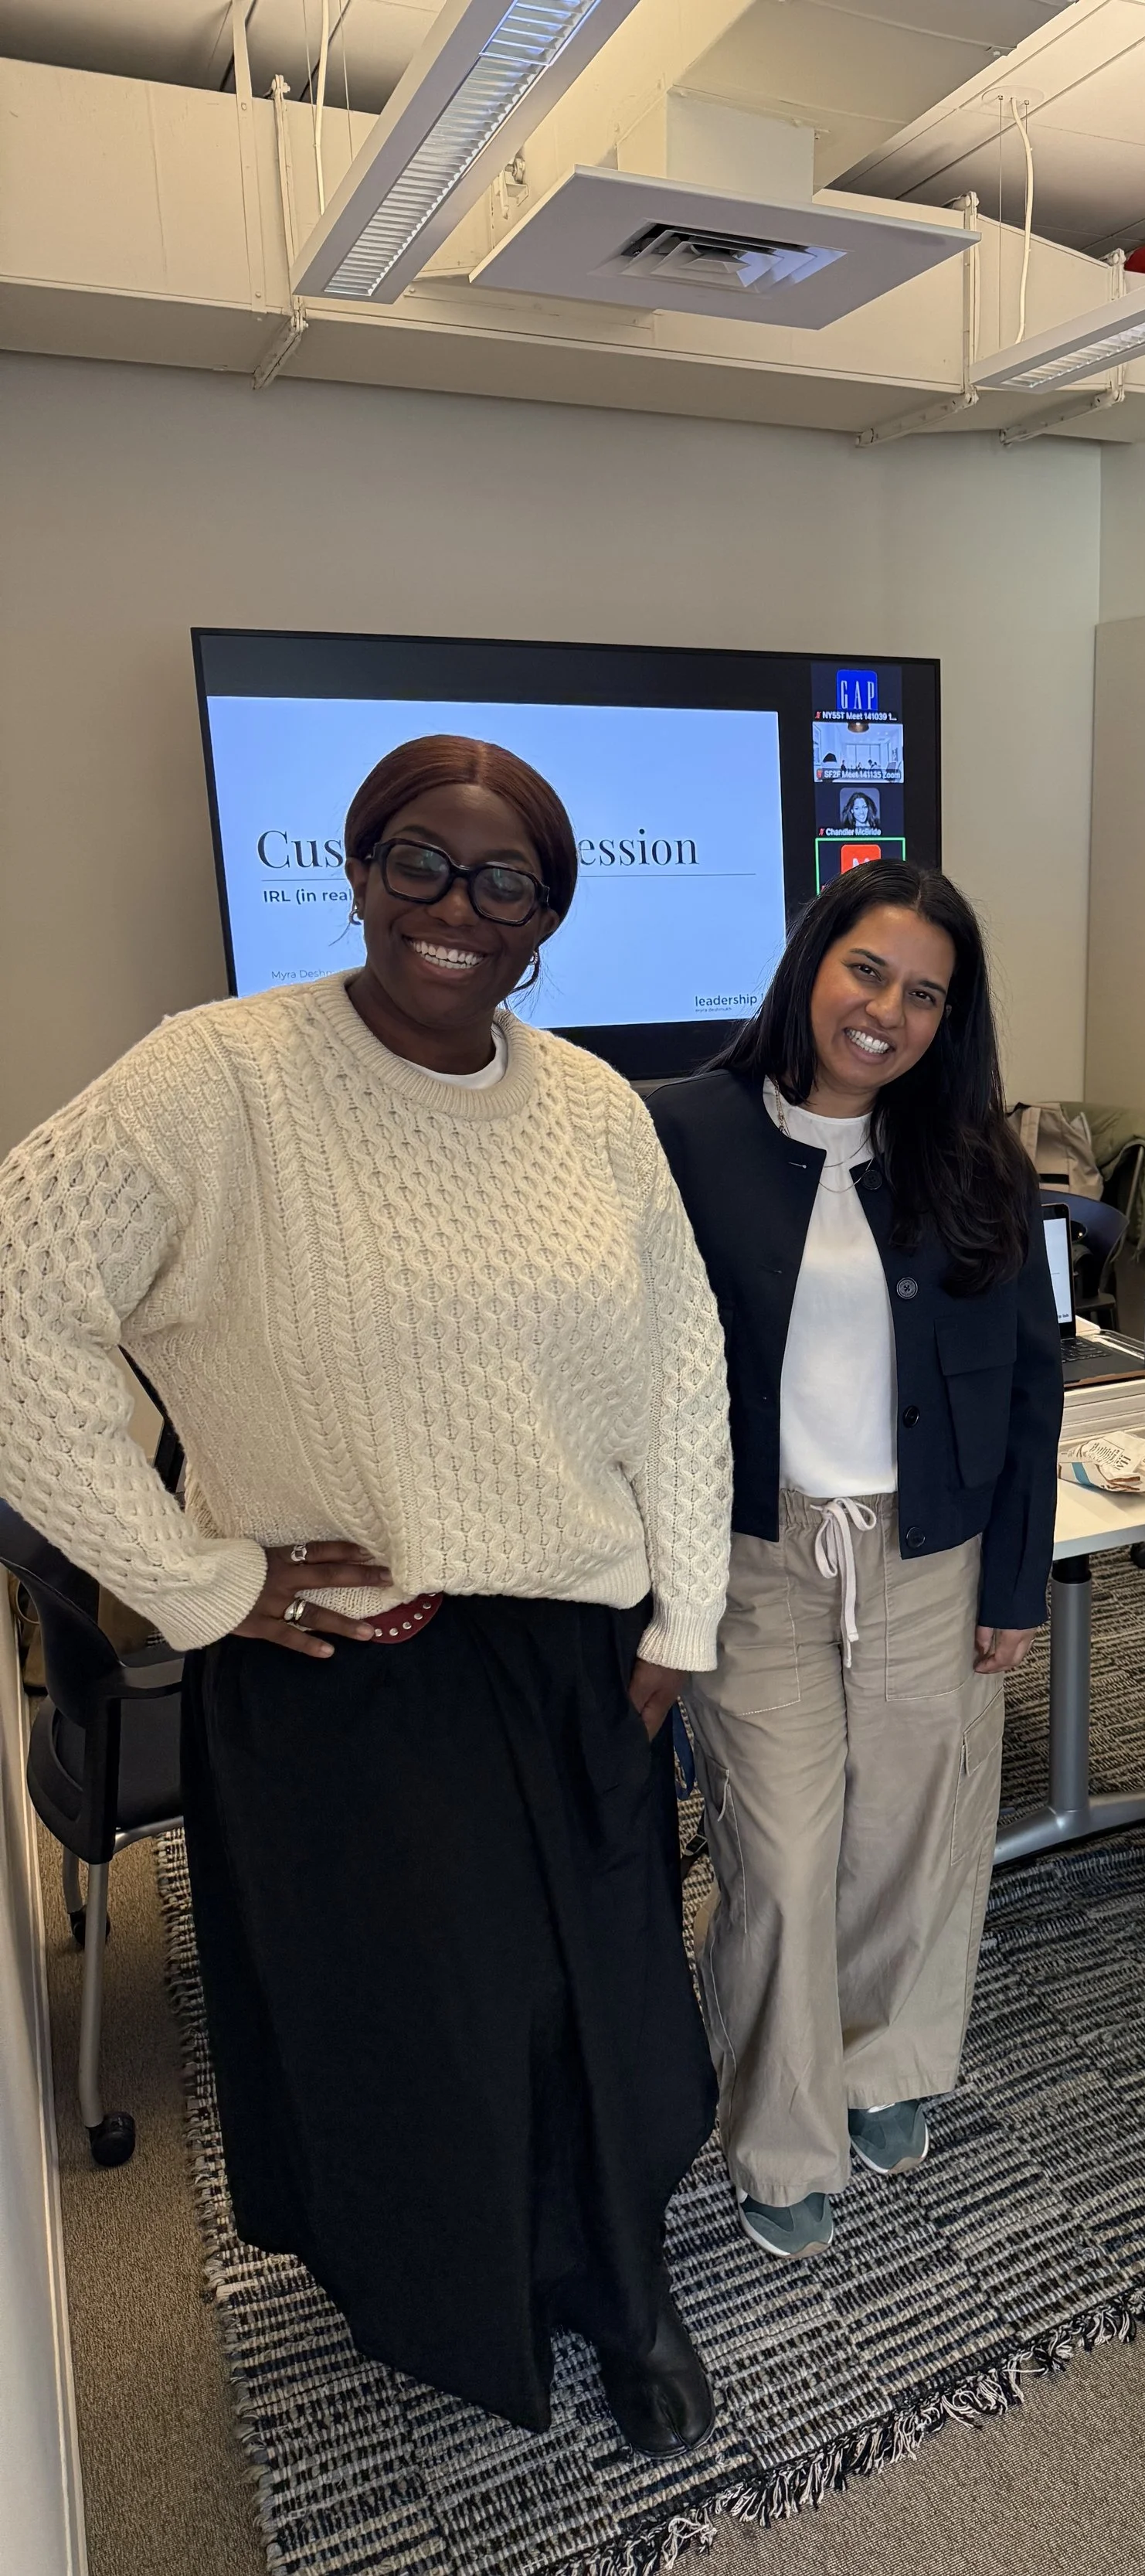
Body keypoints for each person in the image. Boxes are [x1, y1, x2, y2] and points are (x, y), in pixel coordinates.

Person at [0, 737, 732, 2450]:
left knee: (608, 2000)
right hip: (349, 1661)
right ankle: (449, 2296)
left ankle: (622, 2291)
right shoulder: (217, 1079)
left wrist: (682, 1616)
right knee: (429, 2023)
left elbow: (679, 1371)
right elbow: (17, 1312)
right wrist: (197, 1581)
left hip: (574, 1647)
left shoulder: (591, 1109)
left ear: (548, 914)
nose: (455, 911)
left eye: (503, 881)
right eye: (418, 862)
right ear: (352, 865)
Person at [648, 860, 1061, 2260]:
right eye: (868, 971)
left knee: (911, 1832)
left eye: (927, 995)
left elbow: (1033, 1382)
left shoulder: (974, 1156)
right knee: (780, 1852)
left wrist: (1016, 1585)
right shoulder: (679, 1133)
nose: (888, 1011)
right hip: (756, 1555)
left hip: (925, 1549)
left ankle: (886, 2063)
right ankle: (780, 2129)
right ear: (813, 962)